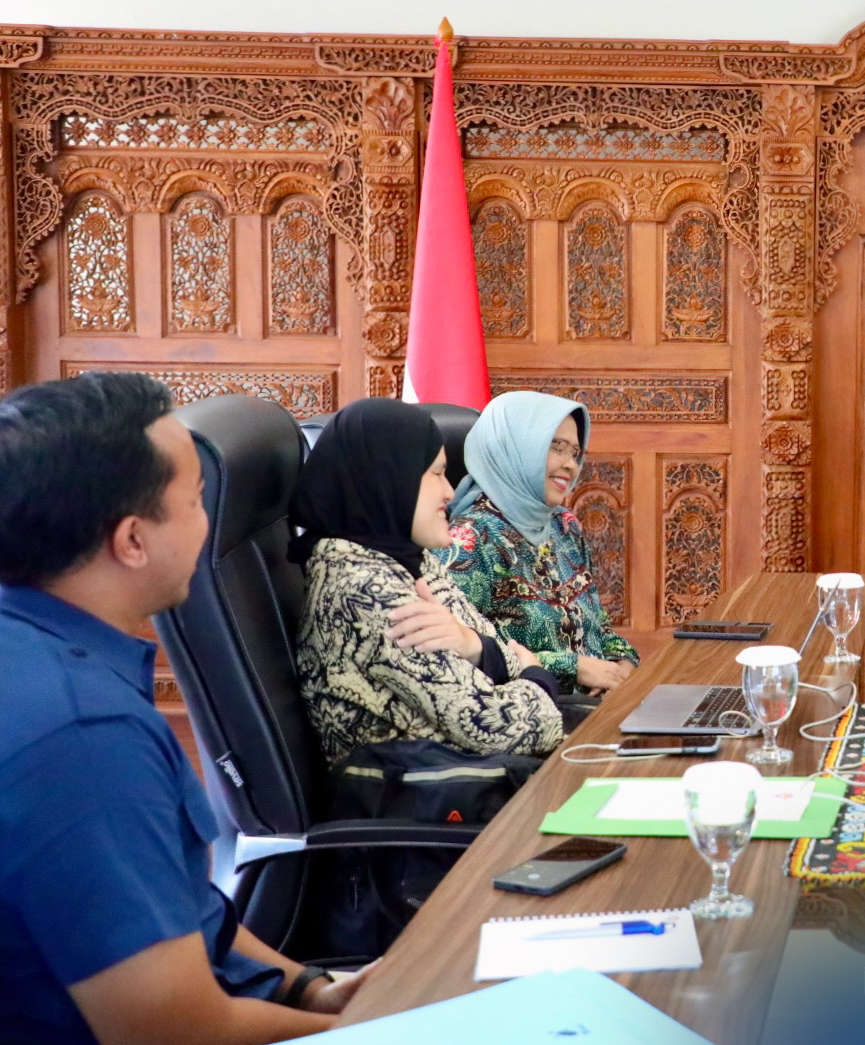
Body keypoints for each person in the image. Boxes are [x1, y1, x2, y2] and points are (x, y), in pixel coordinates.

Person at [0, 372, 362, 1044]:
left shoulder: (45, 650)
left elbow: (180, 907)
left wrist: (309, 986)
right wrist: (385, 1026)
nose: (210, 523)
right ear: (133, 540)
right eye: (196, 500)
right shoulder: (83, 737)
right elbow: (174, 1030)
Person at [291, 399, 563, 765]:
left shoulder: (405, 562)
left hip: (474, 771)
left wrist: (474, 646)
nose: (450, 492)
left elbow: (499, 654)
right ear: (390, 480)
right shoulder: (366, 592)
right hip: (432, 790)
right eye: (437, 474)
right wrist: (537, 680)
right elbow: (497, 726)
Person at [443, 391, 638, 698]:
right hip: (527, 709)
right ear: (515, 448)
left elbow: (599, 627)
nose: (570, 465)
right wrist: (572, 667)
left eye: (575, 453)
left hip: (600, 703)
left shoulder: (563, 525)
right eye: (556, 447)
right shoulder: (469, 540)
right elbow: (459, 652)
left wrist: (622, 664)